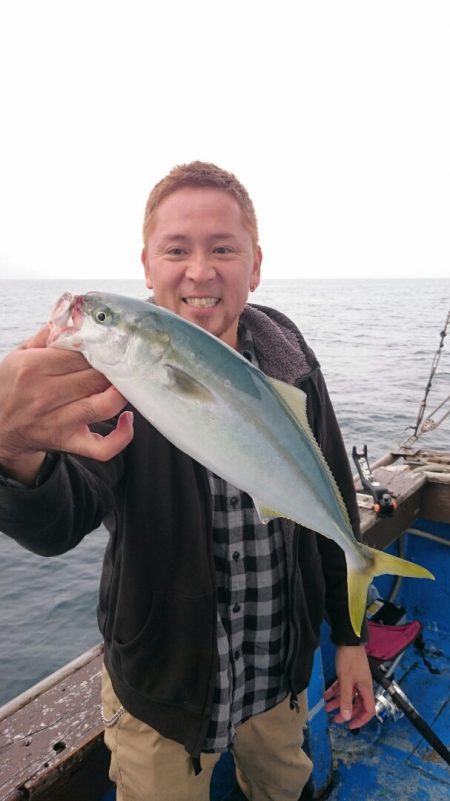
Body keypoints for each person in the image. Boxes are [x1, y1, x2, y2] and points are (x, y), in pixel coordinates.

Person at [0, 161, 375, 801]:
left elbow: (332, 486)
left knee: (286, 788)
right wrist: (12, 448)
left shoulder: (288, 352)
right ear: (147, 267)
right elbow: (61, 522)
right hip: (162, 688)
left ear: (254, 266)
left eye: (223, 249)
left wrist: (350, 638)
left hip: (276, 671)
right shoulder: (109, 380)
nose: (200, 271)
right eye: (176, 249)